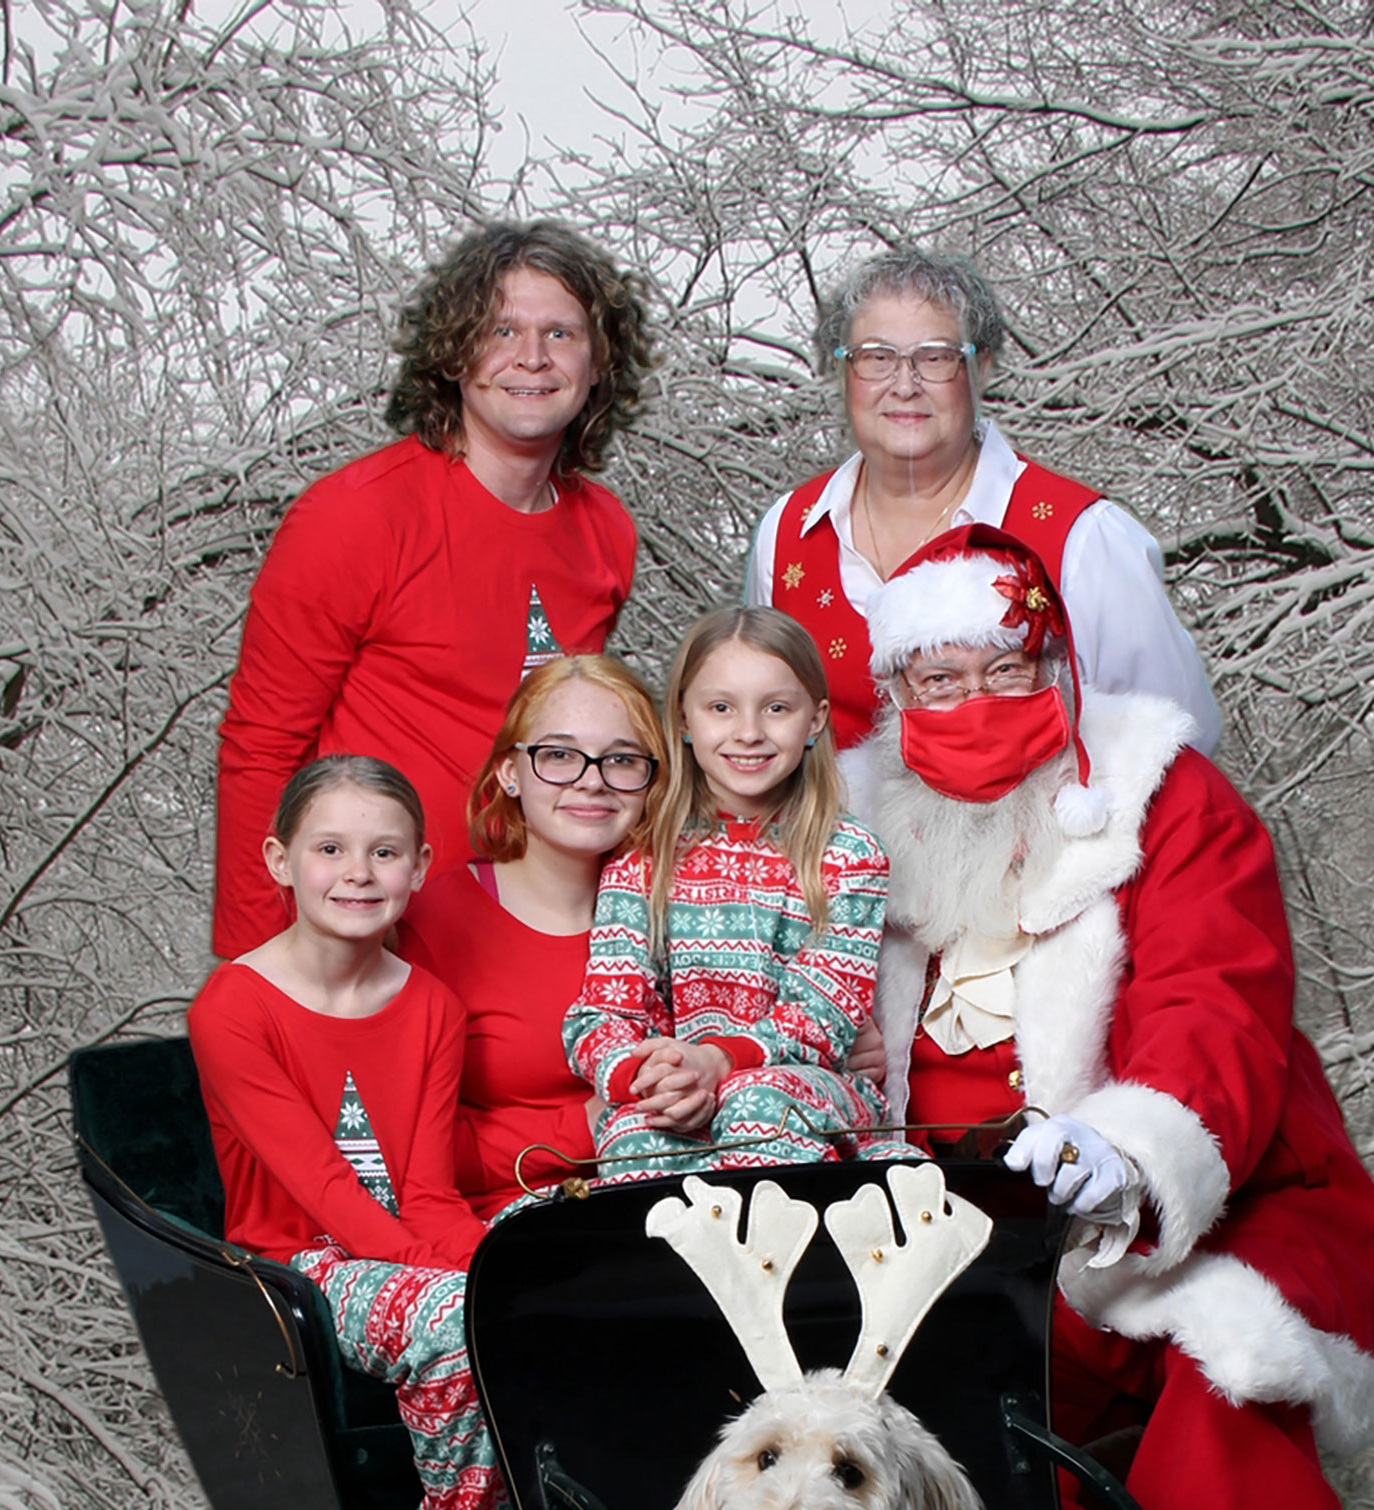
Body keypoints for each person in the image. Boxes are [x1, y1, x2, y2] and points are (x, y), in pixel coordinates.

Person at [854, 524, 1374, 1510]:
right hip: (959, 1228)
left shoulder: (1169, 796)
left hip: (1214, 1192)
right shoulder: (846, 815)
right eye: (935, 678)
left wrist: (1126, 1150)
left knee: (1225, 1377)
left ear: (1057, 660)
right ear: (892, 686)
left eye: (1002, 669)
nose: (969, 704)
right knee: (949, 1406)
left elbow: (1221, 1009)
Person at [214, 221, 654, 962]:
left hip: (532, 946)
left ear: (599, 361)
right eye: (502, 329)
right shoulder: (353, 516)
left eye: (562, 333)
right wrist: (260, 974)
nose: (533, 358)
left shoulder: (607, 532)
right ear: (453, 352)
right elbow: (261, 750)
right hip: (370, 944)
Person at [189, 755, 518, 1510]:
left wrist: (500, 1268)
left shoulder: (431, 1007)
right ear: (280, 860)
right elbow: (321, 1192)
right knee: (459, 1319)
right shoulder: (233, 1006)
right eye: (330, 848)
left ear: (418, 869)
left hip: (394, 1250)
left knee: (529, 1287)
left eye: (384, 852)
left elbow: (425, 1192)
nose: (358, 872)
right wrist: (461, 1284)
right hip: (290, 1263)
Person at [746, 248, 1219, 755]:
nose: (905, 385)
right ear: (843, 374)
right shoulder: (788, 531)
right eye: (876, 358)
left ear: (981, 368)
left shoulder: (1084, 538)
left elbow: (1176, 743)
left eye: (935, 358)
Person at [564, 607, 890, 1175]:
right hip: (677, 1089)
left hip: (810, 1093)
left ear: (814, 721)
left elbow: (823, 1016)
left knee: (752, 1103)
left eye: (777, 709)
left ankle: (793, 1256)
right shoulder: (644, 854)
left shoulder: (848, 855)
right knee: (630, 1129)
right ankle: (671, 1264)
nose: (748, 732)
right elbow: (602, 1013)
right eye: (721, 708)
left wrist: (720, 1062)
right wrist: (655, 1077)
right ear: (685, 720)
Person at [418, 654, 665, 1217]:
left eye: (621, 760)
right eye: (558, 755)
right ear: (509, 772)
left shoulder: (690, 906)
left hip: (678, 1204)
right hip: (517, 1222)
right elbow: (408, 1152)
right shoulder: (433, 922)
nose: (592, 781)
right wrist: (586, 1124)